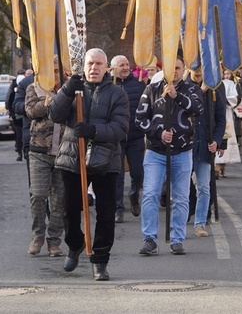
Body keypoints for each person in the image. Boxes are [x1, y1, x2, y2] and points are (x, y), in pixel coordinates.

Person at [49, 48, 129, 281]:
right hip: (73, 157)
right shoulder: (73, 88)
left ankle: (100, 261)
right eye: (90, 63)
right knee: (69, 209)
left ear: (107, 68)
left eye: (99, 64)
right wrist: (66, 91)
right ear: (83, 66)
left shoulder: (117, 94)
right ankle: (75, 244)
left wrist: (93, 131)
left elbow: (121, 128)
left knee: (106, 212)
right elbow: (55, 115)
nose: (94, 68)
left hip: (106, 159)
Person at [136, 56, 203, 256]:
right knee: (150, 194)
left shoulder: (191, 90)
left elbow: (198, 109)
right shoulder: (152, 89)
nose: (174, 72)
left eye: (178, 68)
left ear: (184, 70)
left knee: (181, 198)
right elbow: (139, 119)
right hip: (156, 152)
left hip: (182, 151)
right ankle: (149, 238)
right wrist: (158, 132)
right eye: (170, 68)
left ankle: (177, 239)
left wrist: (176, 96)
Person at [24, 61, 65, 257]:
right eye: (51, 71)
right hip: (39, 152)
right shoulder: (34, 88)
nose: (54, 75)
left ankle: (54, 240)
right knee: (38, 195)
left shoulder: (68, 88)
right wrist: (48, 100)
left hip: (63, 152)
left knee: (59, 200)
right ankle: (38, 235)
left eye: (57, 71)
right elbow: (31, 111)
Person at [186, 68, 225, 237]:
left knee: (204, 187)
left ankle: (200, 223)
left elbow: (221, 118)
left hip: (204, 146)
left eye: (201, 67)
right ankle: (182, 219)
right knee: (182, 188)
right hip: (185, 147)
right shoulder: (183, 87)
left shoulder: (215, 89)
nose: (198, 71)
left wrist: (217, 141)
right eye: (194, 68)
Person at [110, 55, 146, 224]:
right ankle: (118, 209)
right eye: (121, 65)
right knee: (117, 175)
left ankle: (134, 193)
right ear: (113, 69)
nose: (125, 67)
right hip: (116, 138)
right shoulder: (109, 86)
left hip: (135, 136)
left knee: (138, 173)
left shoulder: (139, 85)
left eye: (126, 64)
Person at [216, 69, 241, 178]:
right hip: (215, 112)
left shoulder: (230, 84)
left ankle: (223, 166)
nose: (225, 75)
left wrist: (223, 99)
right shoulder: (212, 82)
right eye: (223, 73)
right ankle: (215, 167)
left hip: (226, 112)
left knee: (226, 137)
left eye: (226, 73)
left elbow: (235, 98)